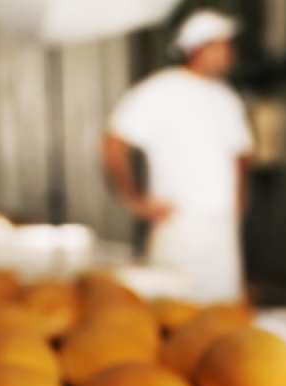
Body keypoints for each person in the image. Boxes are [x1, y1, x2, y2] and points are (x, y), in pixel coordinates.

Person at [101, 10, 254, 303]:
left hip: (223, 230)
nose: (230, 53)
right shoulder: (160, 91)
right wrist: (133, 199)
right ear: (199, 48)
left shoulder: (226, 98)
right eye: (222, 45)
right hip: (180, 226)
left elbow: (242, 153)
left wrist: (239, 194)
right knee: (173, 314)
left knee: (222, 313)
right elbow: (112, 143)